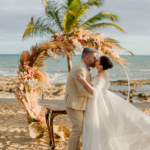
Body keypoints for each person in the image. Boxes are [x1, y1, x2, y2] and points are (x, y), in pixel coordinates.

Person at [75, 55, 150, 150]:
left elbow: (95, 92)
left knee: (95, 131)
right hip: (96, 104)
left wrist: (83, 81)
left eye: (97, 60)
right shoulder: (101, 73)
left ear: (100, 66)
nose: (95, 61)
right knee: (94, 131)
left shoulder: (102, 74)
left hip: (98, 106)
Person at [64, 47, 96, 150]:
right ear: (87, 57)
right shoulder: (80, 68)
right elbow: (82, 90)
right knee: (77, 129)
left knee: (78, 129)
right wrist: (96, 96)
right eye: (94, 58)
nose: (95, 60)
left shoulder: (83, 66)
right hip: (74, 103)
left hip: (78, 102)